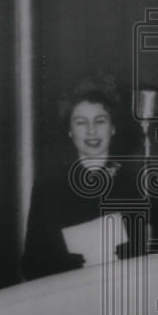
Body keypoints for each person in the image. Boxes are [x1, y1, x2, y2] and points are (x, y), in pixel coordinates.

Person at [22, 76, 145, 280]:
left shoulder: (139, 184)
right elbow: (31, 265)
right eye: (81, 122)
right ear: (70, 131)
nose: (91, 131)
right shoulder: (48, 188)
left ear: (113, 127)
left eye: (100, 121)